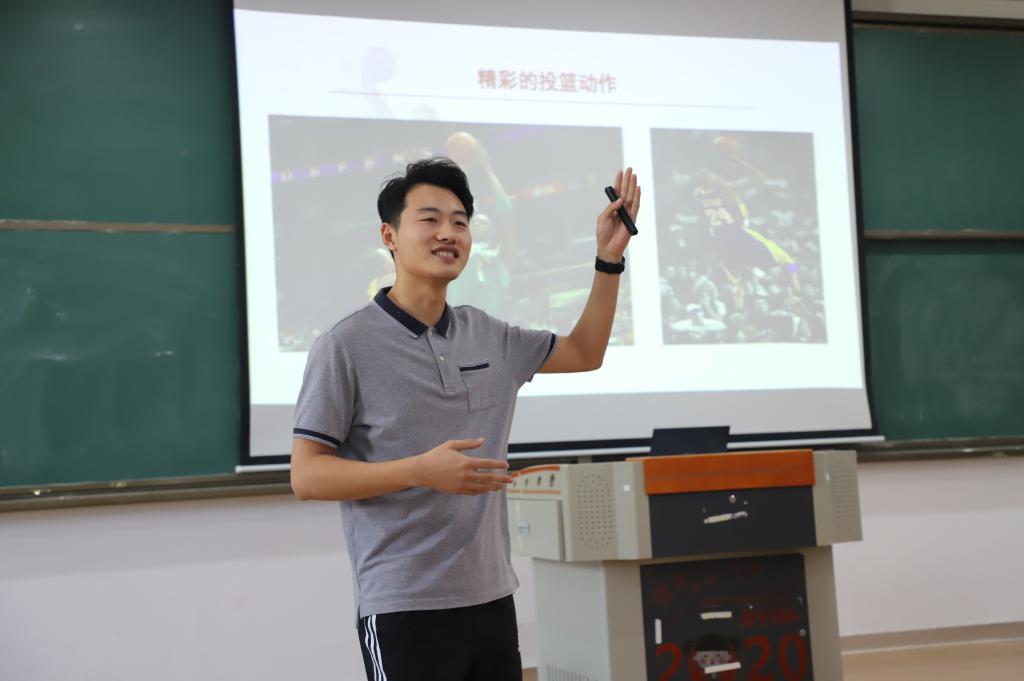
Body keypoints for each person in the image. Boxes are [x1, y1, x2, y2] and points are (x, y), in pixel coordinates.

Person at [289, 157, 639, 681]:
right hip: (404, 606)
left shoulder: (489, 334)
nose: (448, 233)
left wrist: (608, 261)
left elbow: (586, 352)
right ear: (389, 235)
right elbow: (307, 475)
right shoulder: (345, 345)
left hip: (492, 596)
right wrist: (419, 470)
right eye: (429, 220)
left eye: (459, 221)